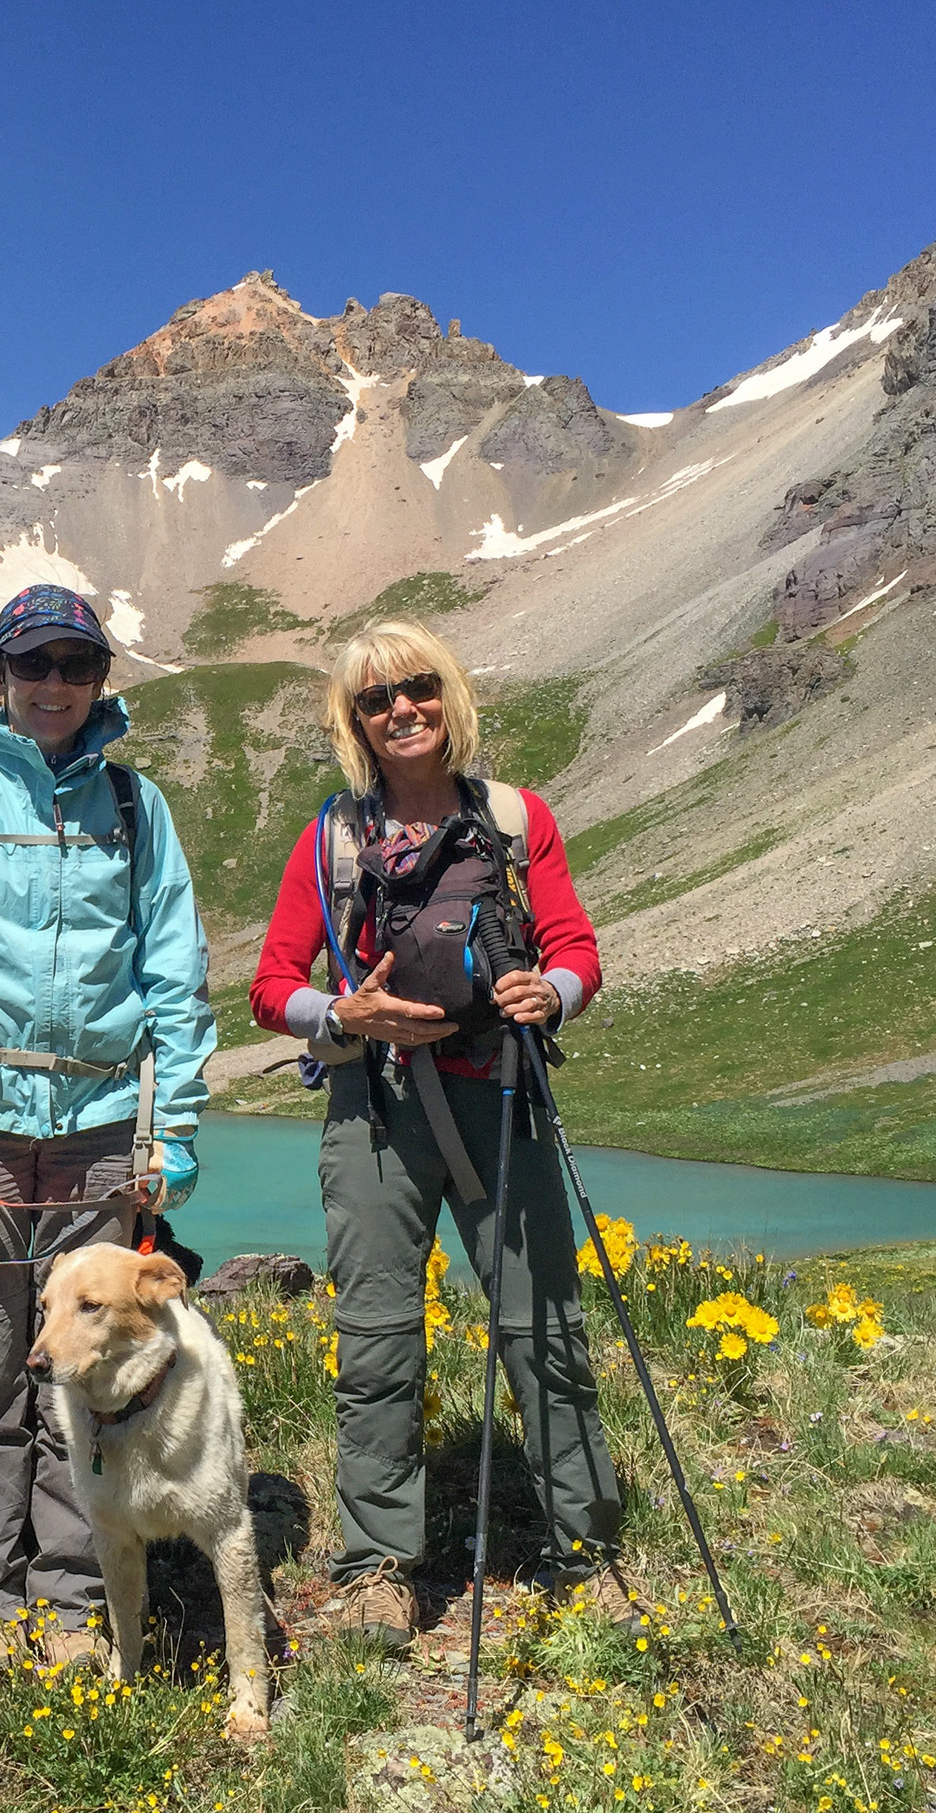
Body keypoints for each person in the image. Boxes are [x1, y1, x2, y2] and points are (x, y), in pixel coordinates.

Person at [248, 617, 634, 1651]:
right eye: (376, 700)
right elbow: (269, 987)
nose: (400, 711)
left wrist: (546, 994)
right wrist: (345, 1015)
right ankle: (378, 1567)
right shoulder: (330, 837)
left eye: (417, 688)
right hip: (373, 1108)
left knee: (541, 1325)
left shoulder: (514, 819)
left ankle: (582, 1549)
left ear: (446, 695)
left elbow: (578, 950)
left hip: (501, 1096)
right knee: (375, 1336)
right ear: (354, 721)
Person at [0, 583, 216, 1671]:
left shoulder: (134, 804)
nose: (54, 684)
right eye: (34, 665)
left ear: (101, 680)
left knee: (88, 1379)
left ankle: (72, 1605)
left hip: (102, 1127)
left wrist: (175, 1125)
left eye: (76, 665)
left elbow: (174, 971)